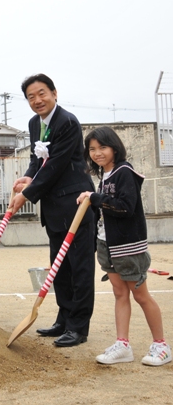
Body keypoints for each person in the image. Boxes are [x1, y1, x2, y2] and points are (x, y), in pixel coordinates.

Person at [9, 74, 96, 347]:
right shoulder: (35, 123)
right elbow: (39, 160)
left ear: (54, 93)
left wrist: (27, 194)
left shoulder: (67, 122)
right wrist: (27, 178)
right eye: (31, 97)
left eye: (41, 93)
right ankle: (64, 319)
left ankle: (78, 327)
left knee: (80, 269)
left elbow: (57, 165)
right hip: (53, 208)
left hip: (76, 204)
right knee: (60, 269)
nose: (37, 100)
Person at [76, 126, 171, 366]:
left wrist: (94, 198)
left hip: (128, 246)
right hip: (107, 244)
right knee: (120, 293)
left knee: (141, 295)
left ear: (115, 148)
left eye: (102, 147)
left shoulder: (124, 172)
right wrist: (90, 198)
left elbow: (125, 207)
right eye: (92, 149)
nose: (97, 153)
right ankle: (123, 345)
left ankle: (161, 345)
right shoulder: (105, 176)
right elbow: (106, 207)